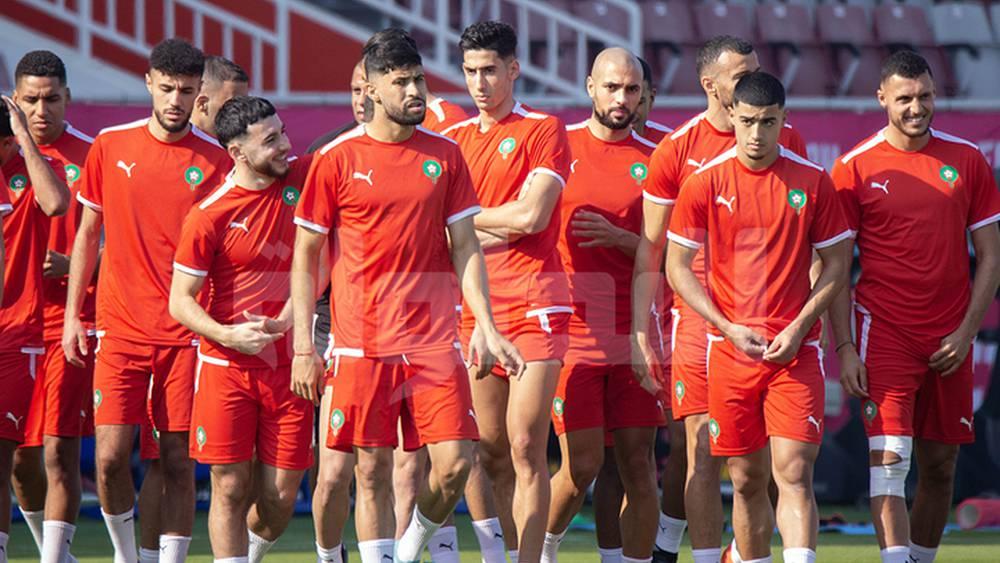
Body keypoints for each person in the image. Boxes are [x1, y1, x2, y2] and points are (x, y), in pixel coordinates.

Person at [290, 29, 524, 563]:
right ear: (370, 90)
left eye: (418, 79)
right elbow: (305, 258)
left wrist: (485, 326)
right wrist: (305, 345)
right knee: (366, 470)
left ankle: (410, 545)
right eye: (401, 82)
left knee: (456, 464)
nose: (415, 91)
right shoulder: (336, 159)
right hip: (360, 343)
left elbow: (466, 246)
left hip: (434, 343)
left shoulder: (446, 155)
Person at [633, 36, 808, 563]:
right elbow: (651, 252)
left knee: (783, 462)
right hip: (700, 322)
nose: (752, 81)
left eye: (757, 70)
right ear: (710, 85)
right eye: (740, 75)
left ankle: (745, 549)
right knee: (701, 454)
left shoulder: (788, 139)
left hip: (775, 318)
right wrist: (641, 334)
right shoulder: (678, 150)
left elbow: (814, 236)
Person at [667, 71, 852, 563]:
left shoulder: (812, 182)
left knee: (793, 471)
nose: (755, 134)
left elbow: (837, 264)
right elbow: (676, 266)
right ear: (731, 116)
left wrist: (799, 326)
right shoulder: (704, 181)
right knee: (747, 481)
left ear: (783, 119)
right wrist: (725, 326)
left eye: (767, 122)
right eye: (747, 121)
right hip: (729, 353)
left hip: (795, 352)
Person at [62, 38, 231, 563]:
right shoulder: (110, 146)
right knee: (111, 459)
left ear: (199, 92)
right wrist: (73, 315)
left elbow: (223, 250)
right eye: (167, 89)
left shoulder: (217, 160)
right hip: (118, 329)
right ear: (148, 84)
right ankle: (127, 555)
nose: (176, 100)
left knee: (178, 461)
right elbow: (88, 235)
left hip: (185, 335)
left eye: (186, 90)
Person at [829, 50, 1000, 563]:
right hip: (884, 335)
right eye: (904, 98)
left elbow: (991, 257)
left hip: (951, 337)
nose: (916, 107)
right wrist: (844, 349)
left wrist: (967, 331)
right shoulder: (853, 168)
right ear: (882, 98)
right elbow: (835, 272)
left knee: (941, 465)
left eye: (925, 96)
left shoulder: (967, 160)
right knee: (891, 460)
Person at [444, 21, 573, 562]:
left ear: (513, 69)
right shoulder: (450, 142)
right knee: (489, 451)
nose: (480, 82)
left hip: (537, 301)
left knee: (525, 445)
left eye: (490, 69)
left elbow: (532, 214)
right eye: (471, 71)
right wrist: (484, 224)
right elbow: (447, 227)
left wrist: (464, 223)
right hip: (475, 309)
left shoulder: (544, 129)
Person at [169, 95, 315, 563]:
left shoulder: (305, 178)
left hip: (291, 366)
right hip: (225, 368)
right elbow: (180, 301)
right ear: (237, 153)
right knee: (229, 487)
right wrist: (229, 335)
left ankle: (248, 555)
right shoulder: (209, 213)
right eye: (270, 140)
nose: (285, 146)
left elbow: (323, 258)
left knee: (280, 498)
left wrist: (292, 314)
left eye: (283, 132)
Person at [544, 47, 664, 563]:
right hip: (574, 332)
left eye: (632, 89)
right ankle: (538, 551)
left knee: (637, 464)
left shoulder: (659, 155)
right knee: (583, 466)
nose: (622, 99)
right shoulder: (555, 145)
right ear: (590, 86)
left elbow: (672, 256)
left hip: (635, 330)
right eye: (612, 87)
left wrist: (619, 237)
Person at [135, 52, 249, 563]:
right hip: (146, 330)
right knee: (142, 461)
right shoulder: (128, 148)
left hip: (206, 340)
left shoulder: (233, 164)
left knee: (184, 463)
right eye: (234, 104)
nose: (241, 117)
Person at [10, 49, 93, 563]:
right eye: (31, 101)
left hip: (71, 324)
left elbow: (129, 245)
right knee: (20, 460)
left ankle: (52, 559)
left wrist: (78, 267)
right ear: (16, 103)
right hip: (14, 326)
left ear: (68, 98)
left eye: (52, 99)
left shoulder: (93, 155)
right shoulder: (5, 156)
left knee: (62, 453)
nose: (42, 111)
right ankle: (54, 551)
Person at [0, 94, 71, 562]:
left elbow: (57, 202)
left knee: (13, 459)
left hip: (14, 332)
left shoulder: (29, 169)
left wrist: (24, 135)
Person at [190, 56, 250, 137]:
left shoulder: (240, 146)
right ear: (202, 104)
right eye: (234, 104)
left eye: (245, 104)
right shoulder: (176, 147)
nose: (243, 111)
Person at [631, 57, 672, 144]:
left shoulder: (675, 145)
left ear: (651, 99)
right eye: (621, 104)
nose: (630, 112)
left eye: (639, 103)